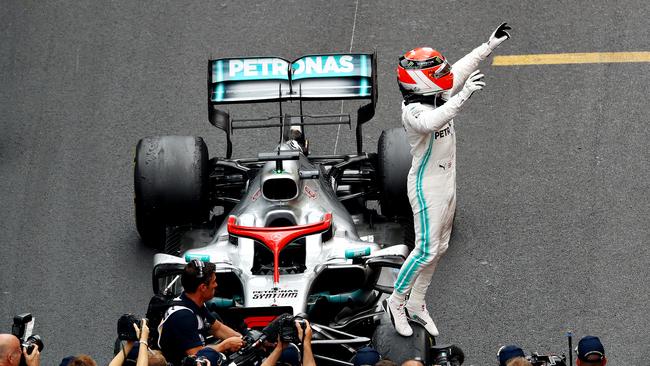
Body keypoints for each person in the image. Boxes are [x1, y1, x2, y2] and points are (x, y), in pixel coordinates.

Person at [384, 22, 513, 337]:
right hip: (427, 186)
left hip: (447, 182)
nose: (445, 76)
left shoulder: (437, 92)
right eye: (436, 72)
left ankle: (417, 302)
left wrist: (488, 45)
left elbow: (459, 69)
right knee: (425, 249)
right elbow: (433, 121)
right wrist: (464, 94)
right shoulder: (412, 112)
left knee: (439, 247)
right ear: (421, 81)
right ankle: (396, 301)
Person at [158, 259, 244, 365]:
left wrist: (243, 340)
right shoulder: (183, 316)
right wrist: (225, 345)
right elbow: (198, 357)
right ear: (203, 287)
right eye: (214, 282)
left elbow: (218, 328)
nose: (216, 285)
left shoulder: (194, 302)